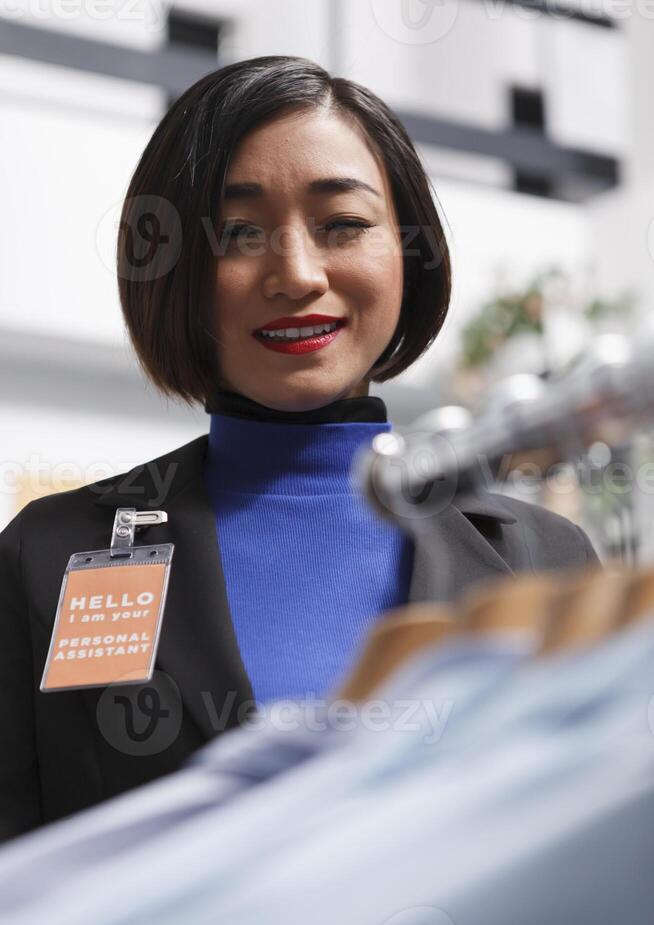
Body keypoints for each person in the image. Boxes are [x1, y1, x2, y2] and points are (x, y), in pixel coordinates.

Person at [0, 55, 598, 845]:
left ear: (407, 250)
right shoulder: (51, 554)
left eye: (342, 225)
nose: (296, 273)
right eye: (240, 232)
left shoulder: (546, 560)